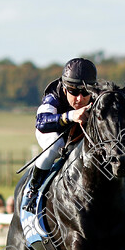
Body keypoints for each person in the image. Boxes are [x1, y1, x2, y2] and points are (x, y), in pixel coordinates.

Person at [22, 57, 96, 212]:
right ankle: (33, 190)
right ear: (64, 88)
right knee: (56, 146)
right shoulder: (53, 96)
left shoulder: (98, 95)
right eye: (74, 92)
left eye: (85, 92)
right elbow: (41, 122)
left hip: (79, 133)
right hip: (53, 132)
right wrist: (71, 116)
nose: (80, 98)